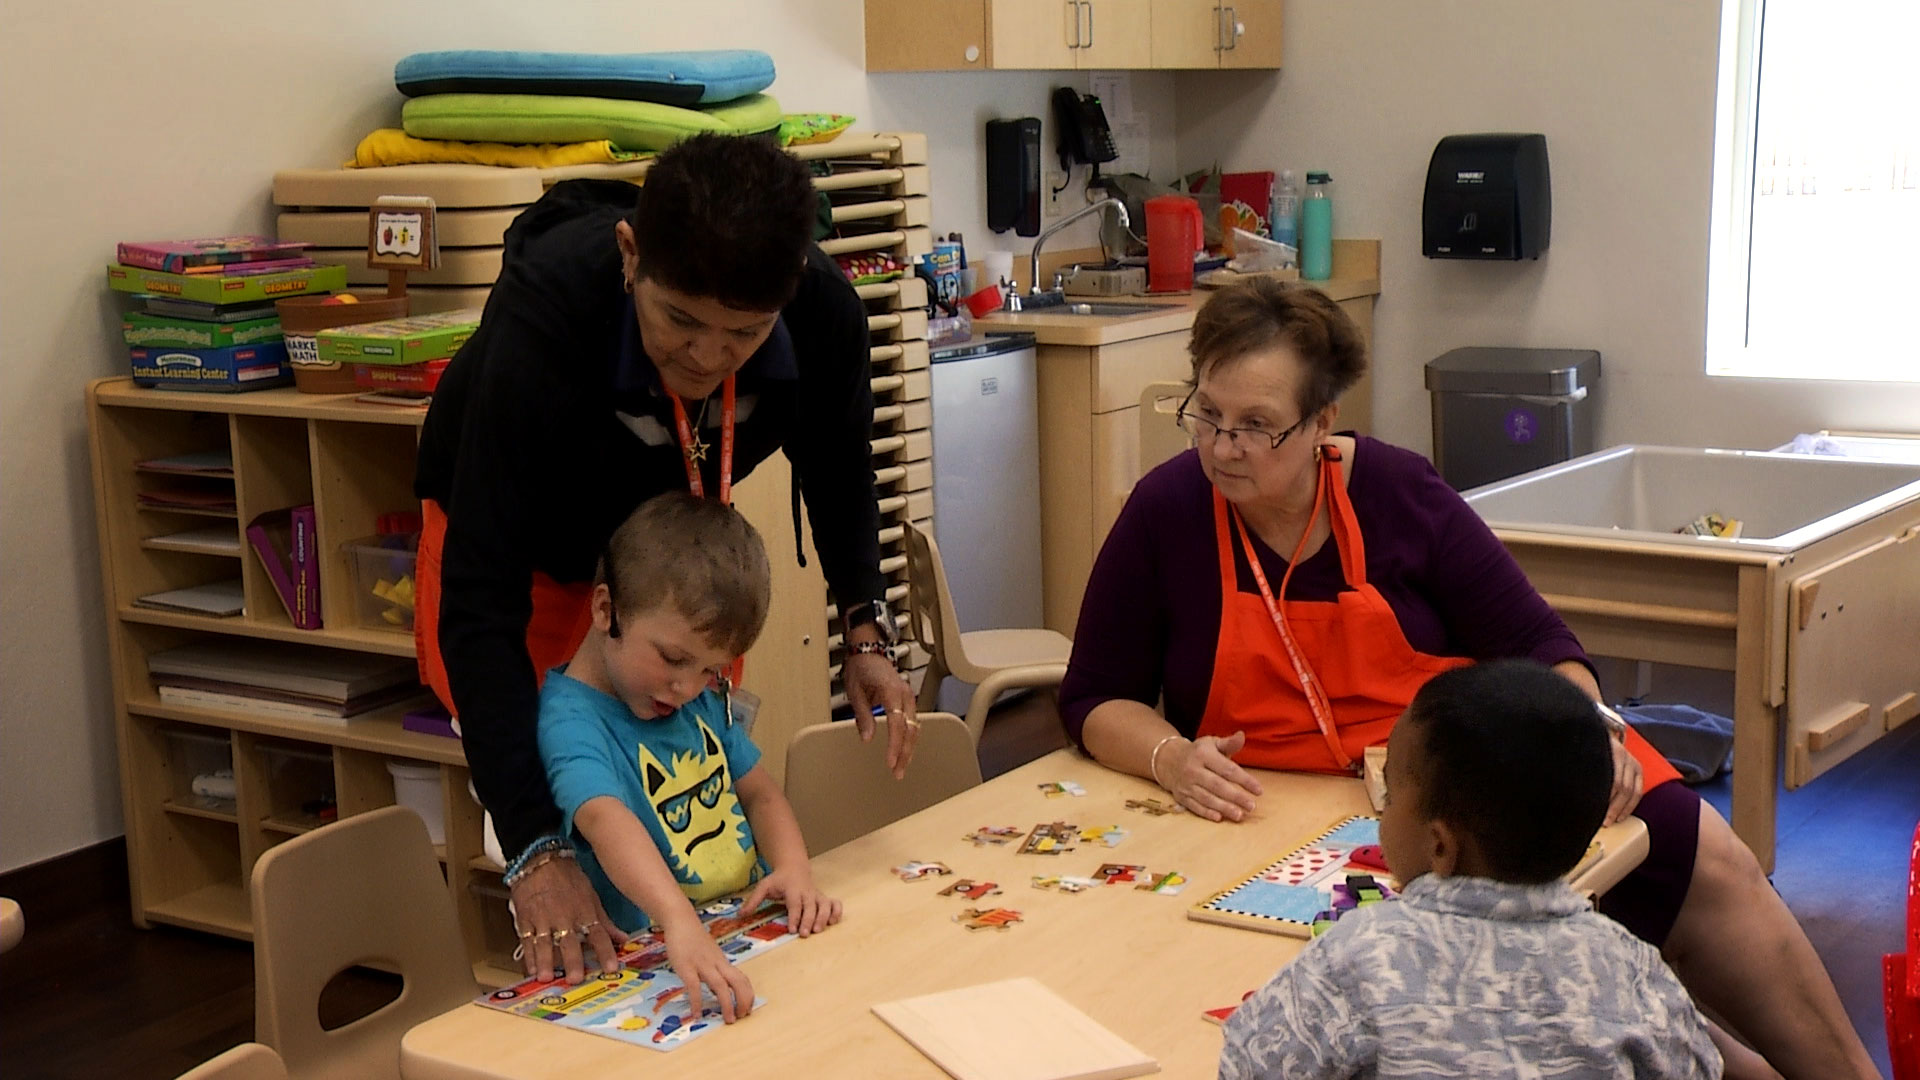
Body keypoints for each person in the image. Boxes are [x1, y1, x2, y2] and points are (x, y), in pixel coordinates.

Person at [1059, 278, 1878, 1079]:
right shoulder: (1165, 510)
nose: (1221, 448)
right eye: (1208, 416)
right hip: (1266, 806)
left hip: (1453, 788)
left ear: (1322, 423)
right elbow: (1093, 696)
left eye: (1256, 426)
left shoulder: (1399, 491)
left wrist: (1593, 730)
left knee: (1709, 859)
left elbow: (1541, 642)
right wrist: (1170, 757)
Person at [415, 133, 914, 985]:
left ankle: (697, 984)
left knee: (687, 813)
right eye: (679, 320)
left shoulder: (825, 310)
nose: (707, 358)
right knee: (564, 838)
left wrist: (863, 626)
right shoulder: (546, 312)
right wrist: (534, 851)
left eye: (743, 335)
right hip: (527, 559)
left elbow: (840, 467)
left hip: (670, 568)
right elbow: (479, 597)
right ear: (629, 254)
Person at [1220, 660, 1723, 1079]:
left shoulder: (1357, 956)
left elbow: (1246, 1066)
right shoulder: (1632, 968)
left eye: (1390, 795)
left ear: (1441, 847)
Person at [537, 493, 838, 1023]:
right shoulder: (570, 719)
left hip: (737, 945)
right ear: (606, 610)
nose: (685, 687)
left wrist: (793, 868)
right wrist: (678, 921)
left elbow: (760, 792)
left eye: (709, 671)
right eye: (674, 659)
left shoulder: (696, 697)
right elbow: (605, 818)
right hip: (644, 975)